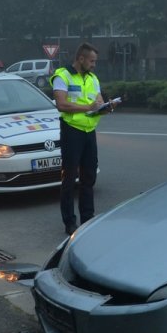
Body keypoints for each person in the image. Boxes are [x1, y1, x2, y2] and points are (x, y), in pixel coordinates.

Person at [52, 42, 119, 236]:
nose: (94, 65)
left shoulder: (93, 78)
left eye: (95, 61)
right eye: (91, 61)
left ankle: (87, 219)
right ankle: (69, 222)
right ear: (80, 59)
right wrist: (87, 108)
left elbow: (95, 104)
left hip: (89, 132)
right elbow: (61, 105)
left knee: (89, 177)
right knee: (69, 178)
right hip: (71, 131)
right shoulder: (62, 75)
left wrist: (105, 108)